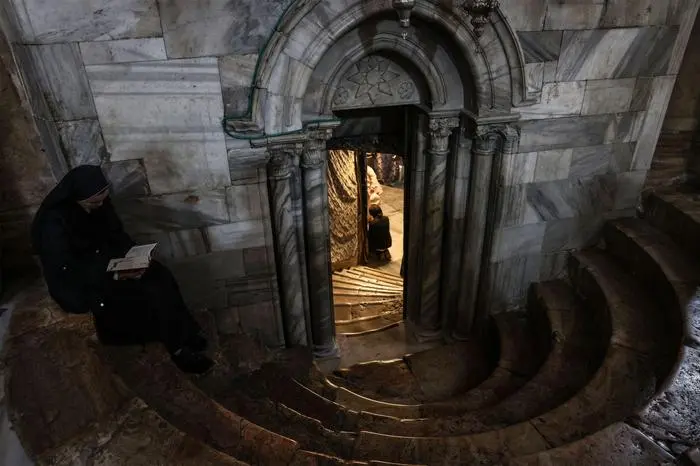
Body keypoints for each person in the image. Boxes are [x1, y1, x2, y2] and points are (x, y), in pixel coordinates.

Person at [31, 165, 213, 374]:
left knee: (160, 275)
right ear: (77, 196)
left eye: (102, 199)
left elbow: (117, 235)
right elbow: (64, 266)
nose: (99, 205)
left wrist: (135, 256)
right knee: (148, 293)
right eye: (94, 201)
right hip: (80, 280)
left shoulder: (101, 205)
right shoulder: (54, 221)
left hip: (109, 264)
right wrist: (114, 272)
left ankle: (186, 332)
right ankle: (178, 350)